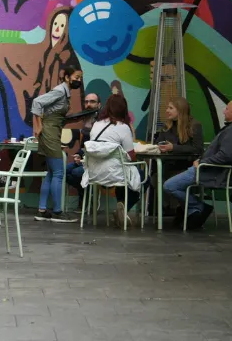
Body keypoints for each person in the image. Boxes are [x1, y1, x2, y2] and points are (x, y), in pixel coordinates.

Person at [163, 100, 232, 230]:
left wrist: (202, 162)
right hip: (207, 169)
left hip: (209, 172)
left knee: (169, 185)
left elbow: (225, 156)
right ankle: (193, 212)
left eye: (227, 109)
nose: (224, 111)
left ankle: (197, 207)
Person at [31, 65, 83, 223]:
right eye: (76, 77)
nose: (78, 81)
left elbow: (53, 112)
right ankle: (58, 212)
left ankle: (42, 210)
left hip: (53, 131)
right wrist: (39, 126)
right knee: (59, 173)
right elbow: (37, 103)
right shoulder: (60, 91)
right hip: (49, 132)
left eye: (80, 78)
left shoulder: (65, 93)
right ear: (67, 77)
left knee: (52, 173)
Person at [88, 94, 146, 227]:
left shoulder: (96, 124)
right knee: (142, 177)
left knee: (125, 175)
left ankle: (121, 209)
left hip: (94, 173)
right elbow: (131, 156)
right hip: (115, 173)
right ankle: (123, 207)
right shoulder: (123, 127)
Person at [65, 92, 100, 208]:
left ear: (99, 105)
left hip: (96, 161)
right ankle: (85, 195)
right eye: (86, 102)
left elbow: (98, 146)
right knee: (65, 171)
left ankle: (88, 200)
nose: (88, 104)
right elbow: (83, 146)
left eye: (92, 102)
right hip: (84, 160)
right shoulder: (85, 120)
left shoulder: (100, 123)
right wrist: (78, 155)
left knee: (76, 172)